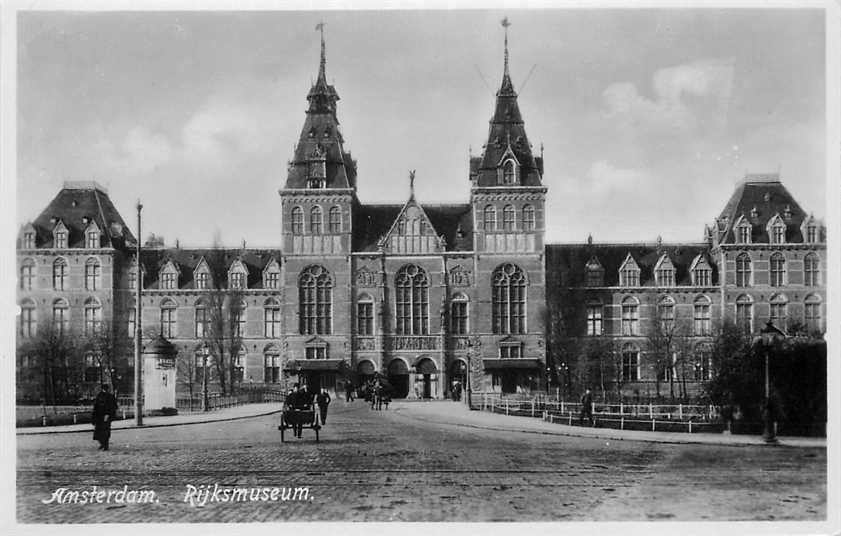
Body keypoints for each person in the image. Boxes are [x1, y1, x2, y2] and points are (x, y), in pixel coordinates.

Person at [92, 384, 118, 451]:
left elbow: (114, 407)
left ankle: (105, 445)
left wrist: (109, 415)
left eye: (106, 389)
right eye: (104, 389)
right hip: (99, 416)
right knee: (98, 432)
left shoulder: (110, 396)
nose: (105, 390)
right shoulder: (99, 396)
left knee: (105, 432)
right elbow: (96, 406)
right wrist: (94, 417)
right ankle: (102, 444)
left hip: (106, 416)